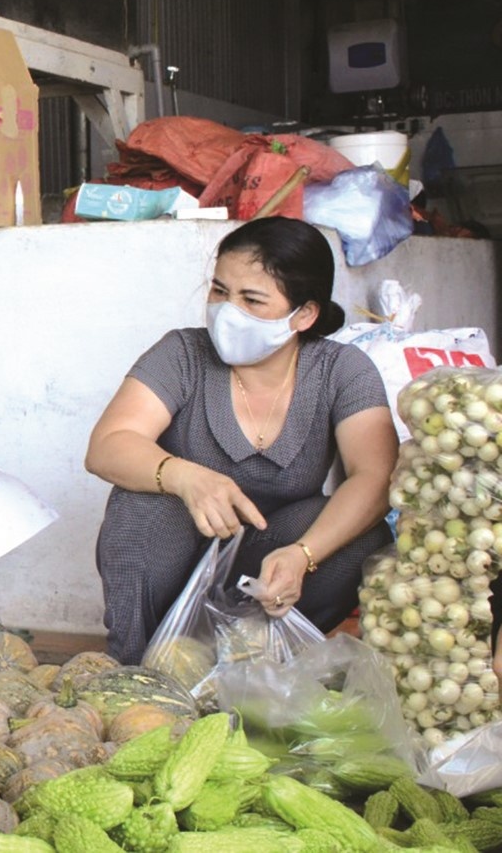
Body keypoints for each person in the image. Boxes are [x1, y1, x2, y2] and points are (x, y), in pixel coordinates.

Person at [86, 216, 397, 664]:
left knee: (357, 538)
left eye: (251, 299)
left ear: (304, 314)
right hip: (183, 552)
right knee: (140, 507)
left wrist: (302, 555)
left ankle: (253, 664)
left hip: (271, 558)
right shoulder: (183, 354)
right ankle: (137, 669)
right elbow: (108, 444)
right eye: (219, 291)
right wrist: (183, 476)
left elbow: (375, 476)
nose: (228, 310)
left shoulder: (340, 370)